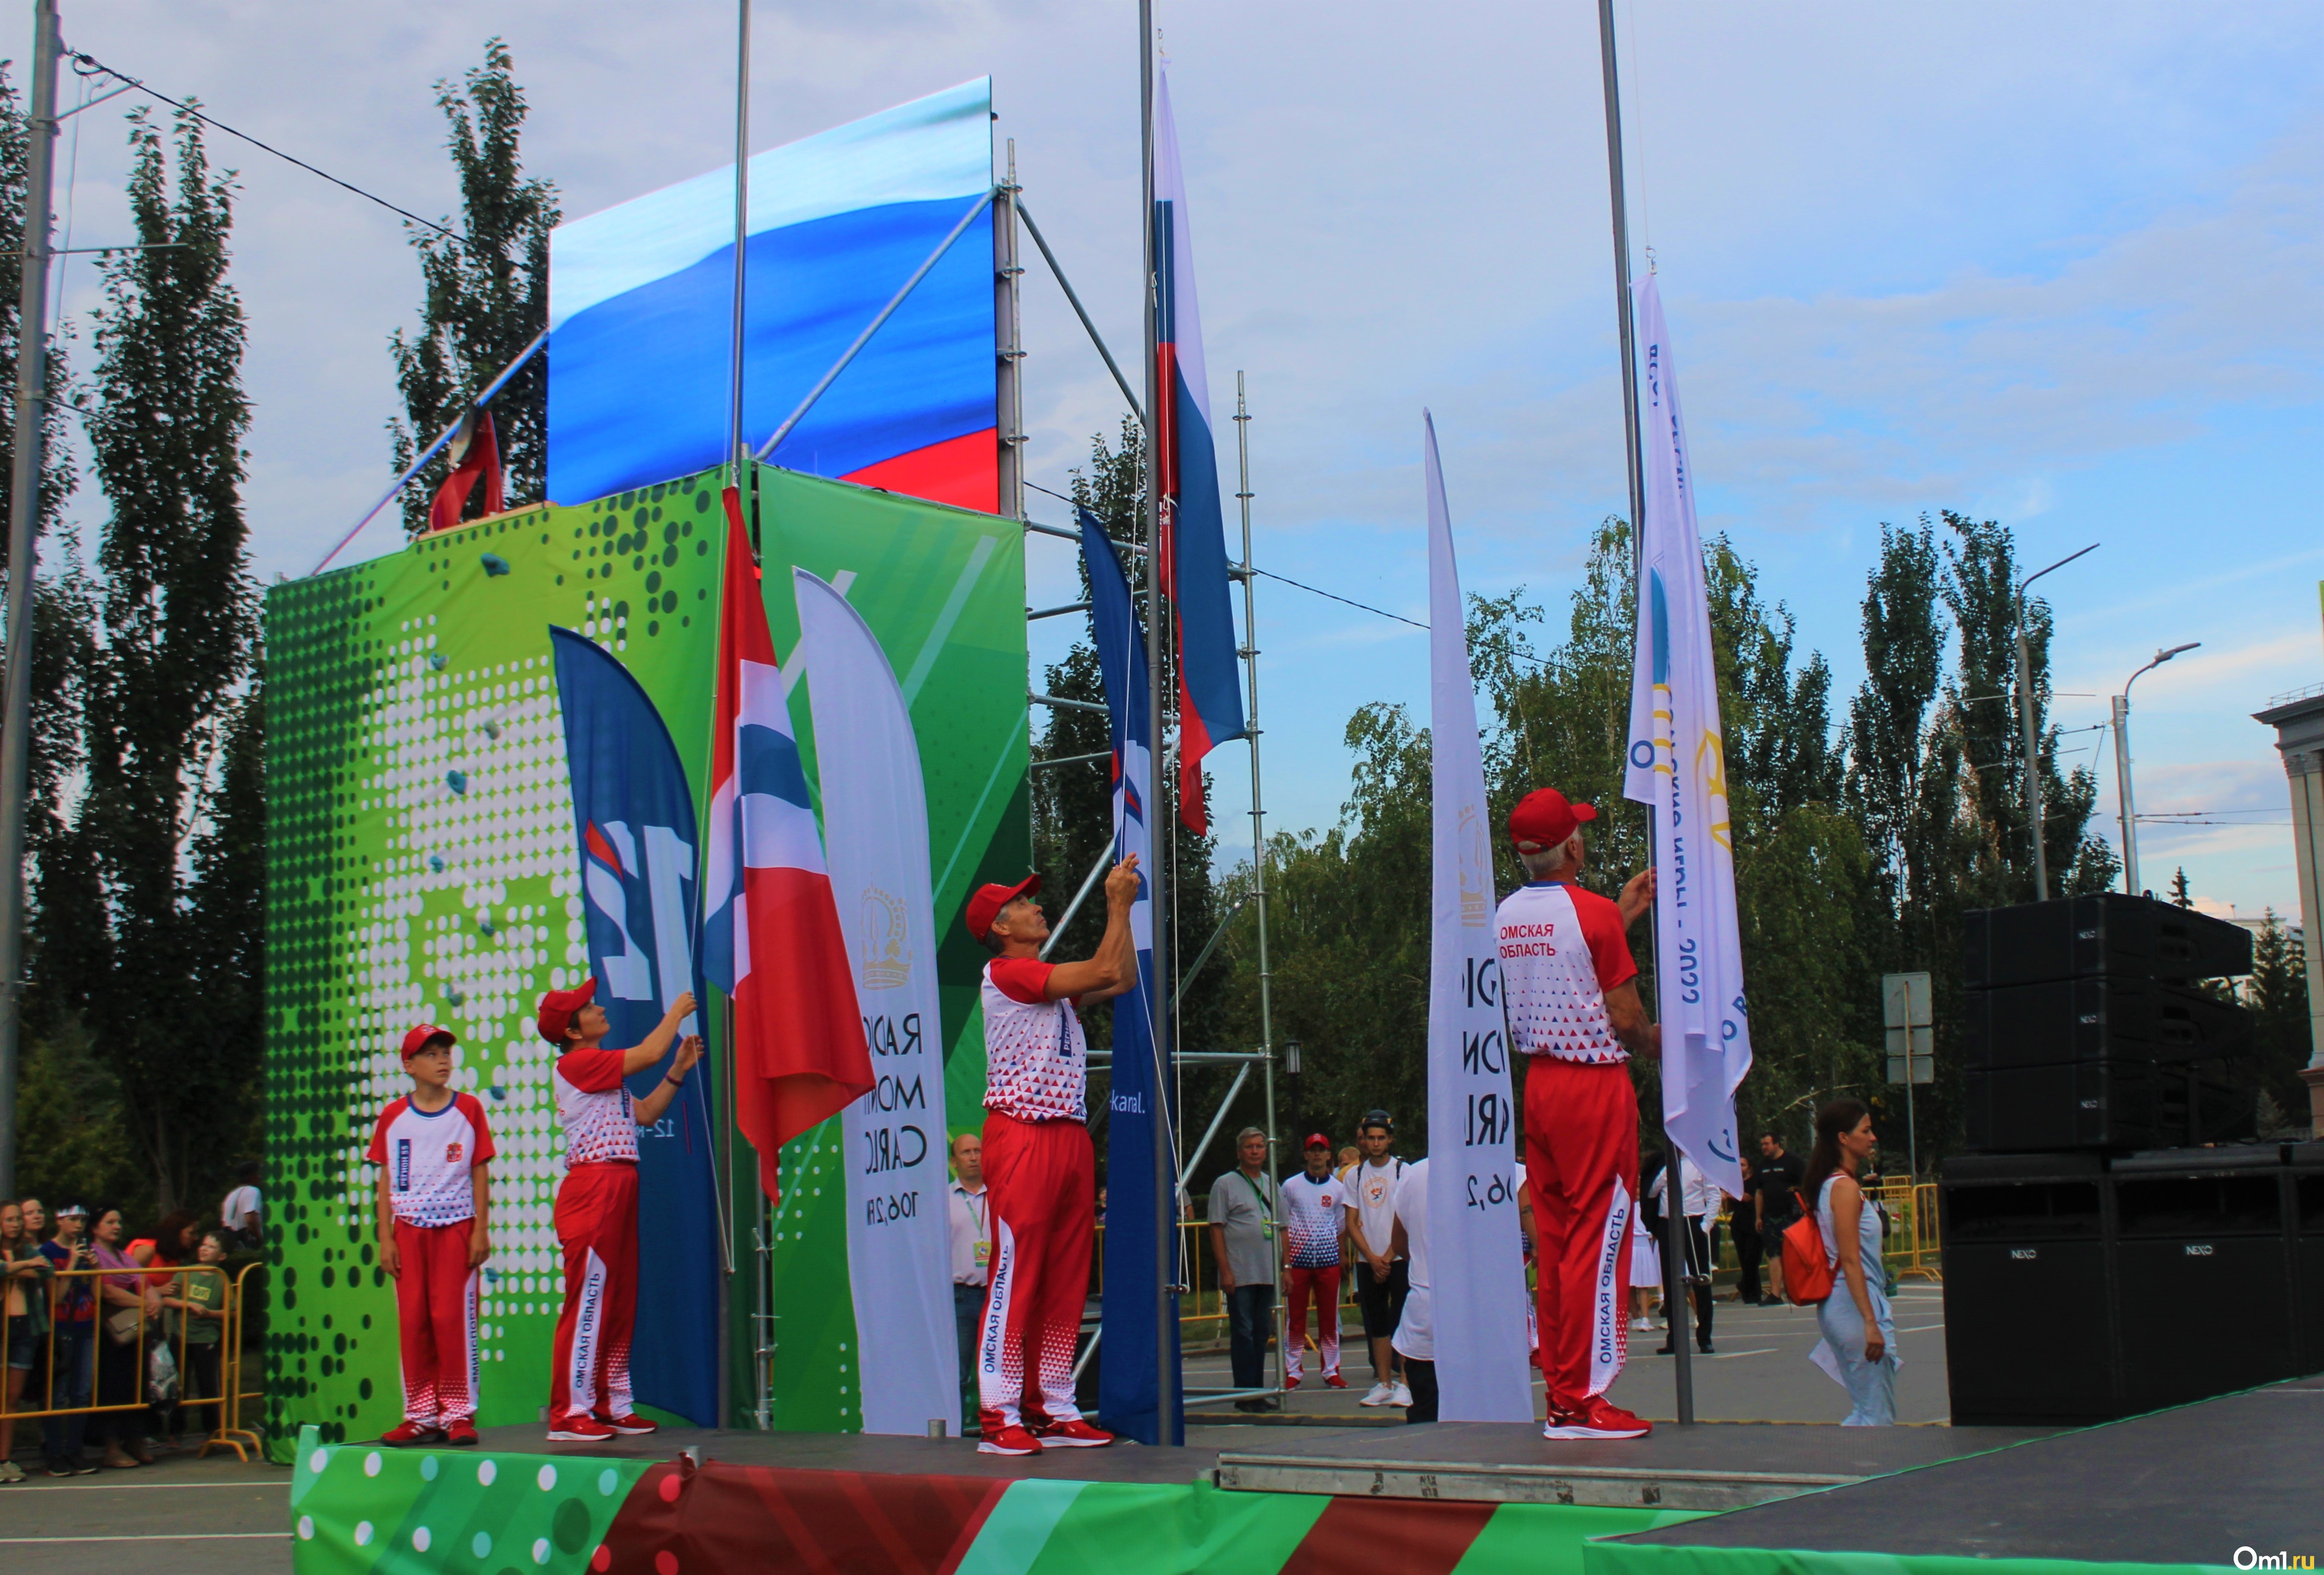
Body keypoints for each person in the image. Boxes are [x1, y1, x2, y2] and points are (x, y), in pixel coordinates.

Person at [1495, 786, 1659, 1442]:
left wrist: (1619, 916)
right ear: (1571, 844)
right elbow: (1622, 1015)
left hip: (1539, 1084)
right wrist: (1659, 1045)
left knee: (1560, 1242)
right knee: (1601, 1235)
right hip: (1594, 1085)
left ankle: (1564, 1394)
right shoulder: (1590, 914)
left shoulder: (1509, 913)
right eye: (1580, 832)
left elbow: (1562, 960)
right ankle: (1586, 1398)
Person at [963, 857, 1141, 1455]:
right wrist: (1116, 907)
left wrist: (1129, 913)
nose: (1038, 906)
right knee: (1016, 1276)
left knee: (1066, 1277)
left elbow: (1122, 978)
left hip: (1067, 1135)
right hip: (1022, 1134)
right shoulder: (1007, 972)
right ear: (1001, 926)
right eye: (1024, 902)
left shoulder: (1049, 988)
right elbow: (1106, 967)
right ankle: (999, 1413)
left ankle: (1054, 1405)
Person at [537, 978, 702, 1443]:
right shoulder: (578, 1063)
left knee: (618, 1300)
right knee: (589, 1299)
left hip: (620, 1182)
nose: (600, 1009)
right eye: (589, 1008)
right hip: (594, 1187)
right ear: (573, 1031)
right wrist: (675, 1014)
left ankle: (610, 1400)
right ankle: (569, 1412)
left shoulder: (600, 1071)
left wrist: (678, 1070)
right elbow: (648, 1051)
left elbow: (646, 1114)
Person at [367, 1022, 497, 1446]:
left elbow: (480, 1169)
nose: (443, 1060)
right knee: (415, 1322)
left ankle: (458, 1413)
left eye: (446, 1052)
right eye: (432, 1054)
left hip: (456, 1229)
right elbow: (386, 1179)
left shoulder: (469, 1109)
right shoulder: (393, 1115)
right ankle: (420, 1414)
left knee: (451, 1320)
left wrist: (480, 1227)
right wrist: (386, 1237)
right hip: (408, 1232)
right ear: (409, 1065)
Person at [1804, 1099, 1898, 1426]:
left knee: (1866, 1410)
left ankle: (1851, 1467)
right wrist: (1870, 1322)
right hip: (1852, 1304)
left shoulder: (1836, 1185)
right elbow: (1850, 1259)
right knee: (1877, 1415)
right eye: (1866, 1130)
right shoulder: (1844, 1187)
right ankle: (1864, 1473)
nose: (1873, 1138)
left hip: (1845, 1303)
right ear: (1843, 1137)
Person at [1209, 1128, 1280, 1412]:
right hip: (1240, 1272)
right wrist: (1225, 1271)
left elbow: (1282, 1226)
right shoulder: (1224, 1185)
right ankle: (1245, 1393)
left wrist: (1284, 1267)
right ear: (1240, 1153)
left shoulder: (1270, 1183)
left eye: (1260, 1147)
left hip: (1266, 1271)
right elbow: (1216, 1228)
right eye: (1249, 1147)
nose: (1255, 1151)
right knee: (1243, 1331)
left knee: (1262, 1332)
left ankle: (1257, 1391)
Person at [1344, 1110, 1409, 1408]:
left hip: (1398, 1258)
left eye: (1382, 1137)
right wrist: (1370, 1257)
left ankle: (1405, 1383)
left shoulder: (1402, 1171)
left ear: (1390, 1139)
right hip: (1368, 1261)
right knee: (1378, 1323)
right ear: (1364, 1141)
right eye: (1371, 1138)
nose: (1376, 1142)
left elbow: (1407, 1216)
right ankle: (1384, 1382)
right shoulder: (1355, 1174)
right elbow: (1351, 1219)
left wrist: (1387, 1255)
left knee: (1404, 1321)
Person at [1279, 1134, 1348, 1391]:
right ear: (1306, 1155)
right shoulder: (1291, 1186)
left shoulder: (1338, 1189)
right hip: (1298, 1260)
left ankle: (1331, 1370)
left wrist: (1341, 1257)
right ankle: (1293, 1371)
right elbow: (1284, 1225)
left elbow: (1340, 1226)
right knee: (1295, 1319)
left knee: (1329, 1318)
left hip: (1328, 1261)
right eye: (1313, 1151)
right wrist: (1285, 1263)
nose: (1318, 1155)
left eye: (1322, 1151)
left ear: (1329, 1155)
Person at [87, 1207, 155, 1469]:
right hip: (110, 1330)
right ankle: (112, 1447)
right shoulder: (95, 1256)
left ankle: (136, 1438)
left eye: (119, 1222)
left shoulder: (126, 1258)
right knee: (113, 1386)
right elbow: (109, 1292)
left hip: (136, 1330)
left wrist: (154, 1303)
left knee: (136, 1384)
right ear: (95, 1227)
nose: (116, 1227)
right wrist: (144, 1304)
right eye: (110, 1222)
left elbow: (146, 1284)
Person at [37, 1203, 96, 1476]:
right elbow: (56, 1298)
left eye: (82, 1220)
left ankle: (75, 1450)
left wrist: (93, 1267)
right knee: (57, 1394)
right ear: (59, 1220)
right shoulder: (47, 1253)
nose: (79, 1225)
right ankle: (54, 1453)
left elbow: (95, 1291)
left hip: (86, 1326)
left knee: (81, 1393)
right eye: (73, 1219)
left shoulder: (86, 1249)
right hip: (60, 1328)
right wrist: (72, 1262)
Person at [158, 1231, 230, 1443]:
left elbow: (231, 1312)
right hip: (181, 1337)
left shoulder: (222, 1280)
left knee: (208, 1386)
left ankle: (213, 1431)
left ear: (222, 1256)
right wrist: (188, 1304)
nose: (204, 1249)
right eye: (203, 1245)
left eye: (211, 1247)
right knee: (178, 1386)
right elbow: (168, 1299)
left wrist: (210, 1313)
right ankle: (174, 1431)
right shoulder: (186, 1273)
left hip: (206, 1339)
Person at [3, 1199, 54, 1483]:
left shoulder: (28, 1248)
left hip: (25, 1328)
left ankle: (5, 1458)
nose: (15, 1224)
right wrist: (23, 1266)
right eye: (10, 1219)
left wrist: (15, 1266)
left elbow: (47, 1270)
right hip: (3, 1327)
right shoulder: (22, 1256)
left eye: (17, 1220)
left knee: (12, 1400)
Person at [1651, 1153, 1717, 1357]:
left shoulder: (1700, 1163)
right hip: (1669, 1223)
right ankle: (1674, 1338)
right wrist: (1665, 1173)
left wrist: (1705, 1226)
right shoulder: (1666, 1165)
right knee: (1671, 1282)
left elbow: (1714, 1196)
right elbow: (1653, 1191)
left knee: (1701, 1280)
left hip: (1693, 1221)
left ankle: (1705, 1338)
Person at [1385, 1158, 1435, 1423]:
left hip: (1423, 1309)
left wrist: (1421, 1261)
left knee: (1426, 1408)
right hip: (1474, 1318)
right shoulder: (1497, 1167)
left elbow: (1398, 1241)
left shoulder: (1412, 1174)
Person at [947, 1132, 989, 1436]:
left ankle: (999, 1432)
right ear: (954, 1161)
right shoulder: (944, 1200)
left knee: (998, 1373)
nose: (974, 1157)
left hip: (997, 1296)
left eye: (978, 1151)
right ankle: (956, 1439)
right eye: (966, 1153)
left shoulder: (1001, 1194)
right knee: (959, 1374)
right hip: (960, 1298)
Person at [1756, 1132, 1805, 1305]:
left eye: (1767, 1144)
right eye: (1763, 1144)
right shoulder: (1762, 1166)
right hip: (1771, 1216)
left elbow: (1807, 1184)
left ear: (1777, 1144)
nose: (1764, 1148)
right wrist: (1758, 1217)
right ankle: (1775, 1294)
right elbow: (1759, 1192)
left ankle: (1799, 1289)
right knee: (1773, 1254)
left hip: (1791, 1215)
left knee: (1794, 1254)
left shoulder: (1793, 1161)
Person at [1730, 1154, 1764, 1308]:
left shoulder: (1755, 1181)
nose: (1740, 1168)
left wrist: (1735, 1196)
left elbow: (1749, 1198)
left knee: (1752, 1258)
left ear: (1750, 1167)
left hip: (1753, 1224)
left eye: (1743, 1165)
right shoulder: (1734, 1183)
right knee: (1744, 1259)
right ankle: (1748, 1292)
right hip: (1738, 1224)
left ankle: (1752, 1290)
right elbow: (1732, 1199)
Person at [219, 1163, 262, 1251]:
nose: (260, 1177)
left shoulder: (231, 1195)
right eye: (259, 1174)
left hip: (230, 1241)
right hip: (245, 1243)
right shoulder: (253, 1191)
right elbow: (251, 1219)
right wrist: (260, 1238)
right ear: (252, 1177)